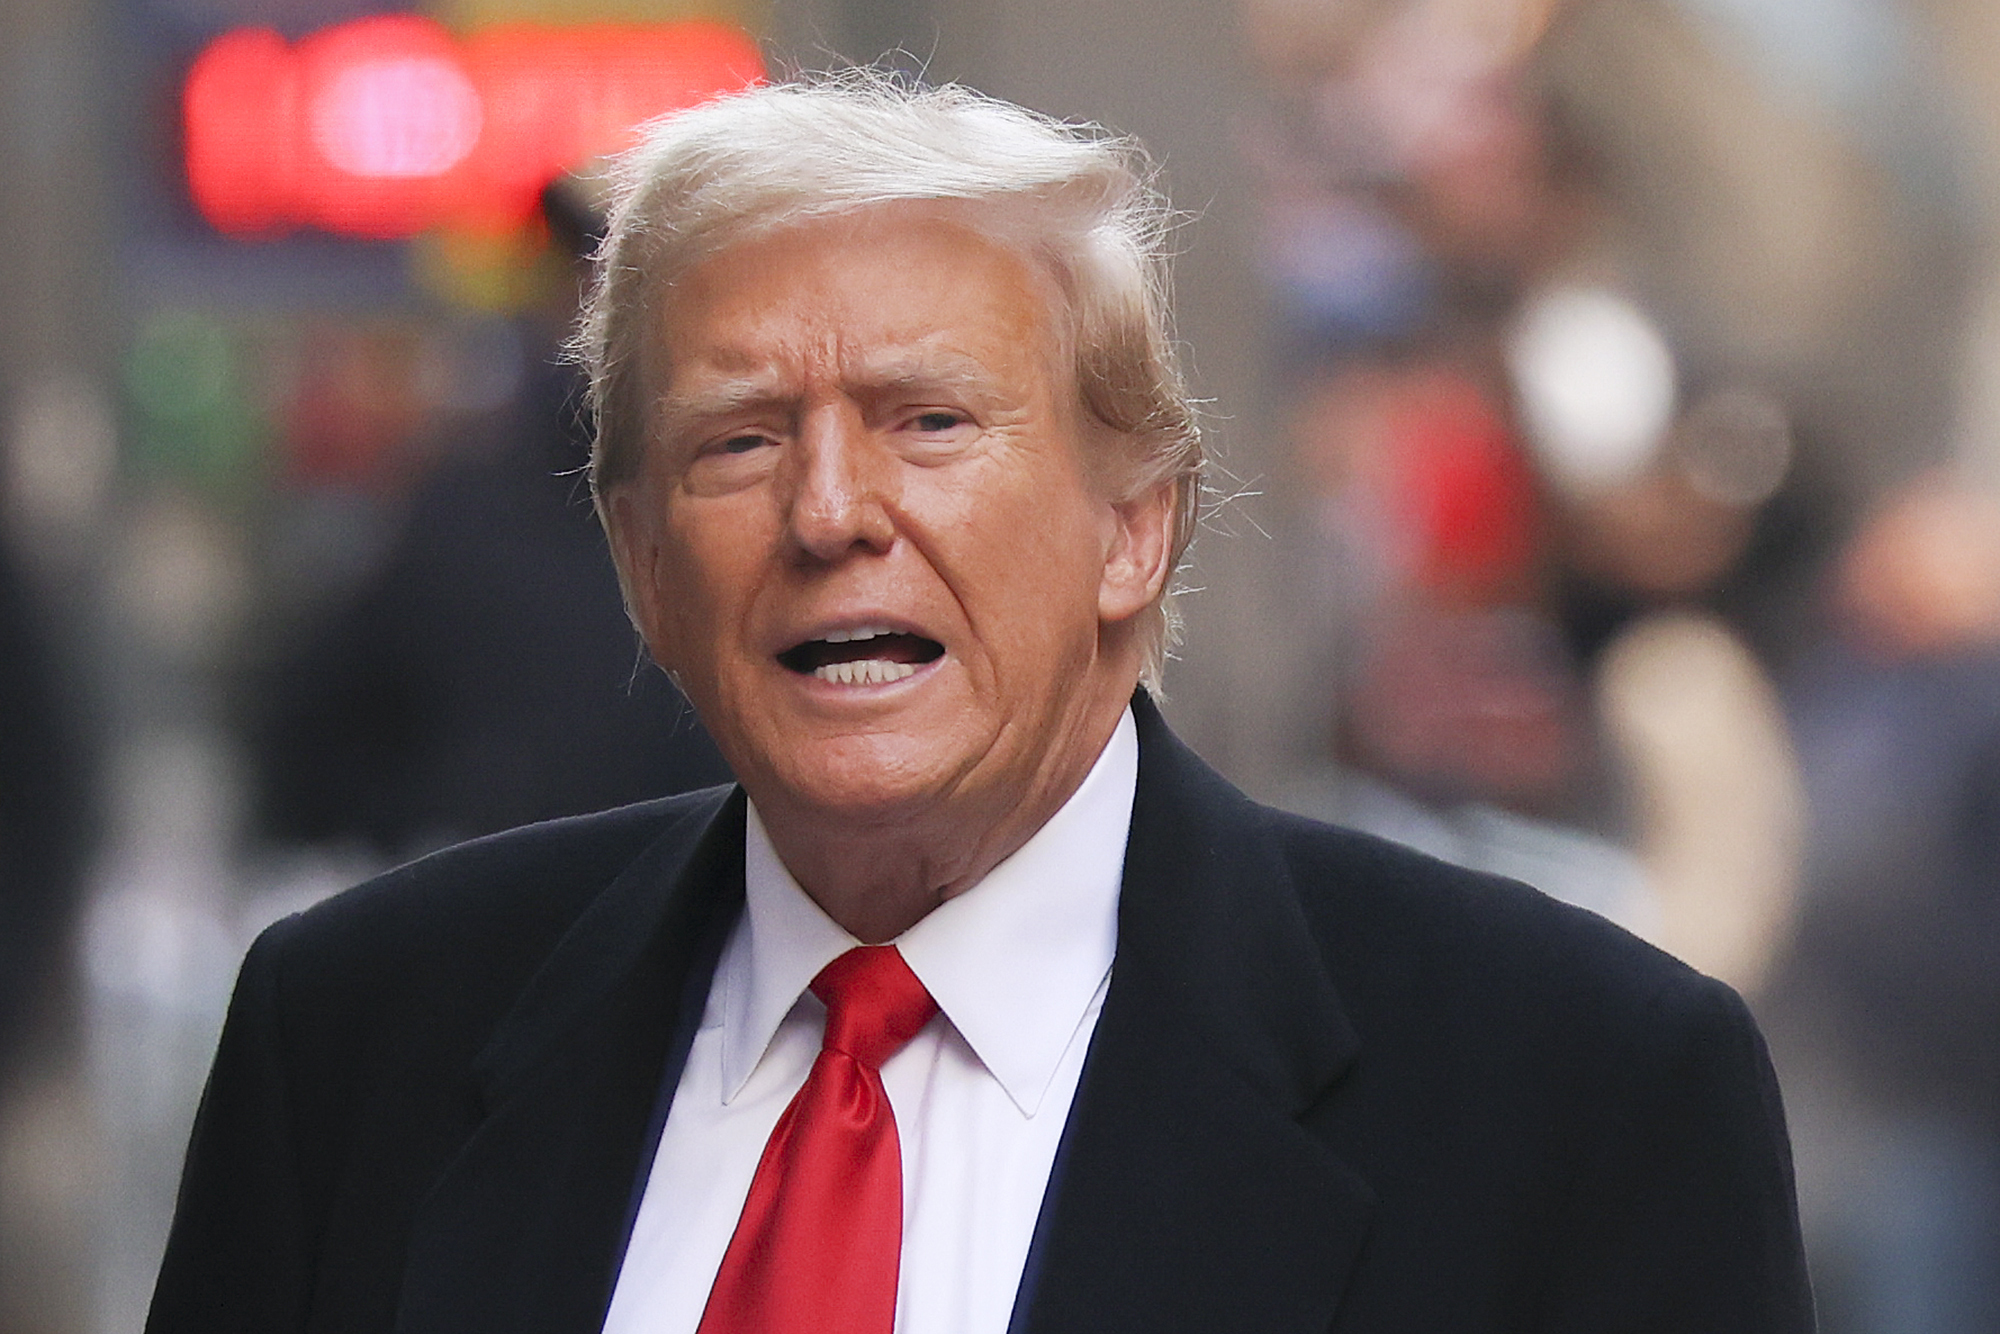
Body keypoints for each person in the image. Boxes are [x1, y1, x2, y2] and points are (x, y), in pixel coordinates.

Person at [147, 76, 1813, 1334]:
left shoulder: (1578, 1093)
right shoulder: (354, 1041)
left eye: (927, 420)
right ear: (645, 563)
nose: (829, 512)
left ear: (1133, 524)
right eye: (738, 439)